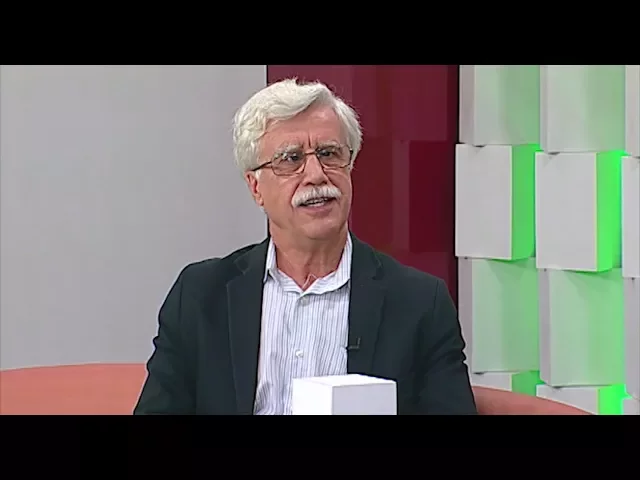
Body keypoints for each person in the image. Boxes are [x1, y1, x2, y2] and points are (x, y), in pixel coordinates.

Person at [134, 78, 477, 415]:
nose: (316, 174)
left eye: (329, 154)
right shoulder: (200, 296)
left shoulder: (419, 303)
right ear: (256, 187)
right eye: (290, 159)